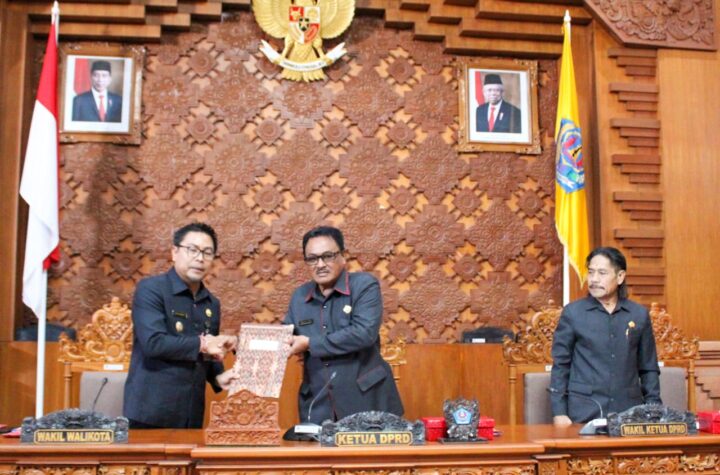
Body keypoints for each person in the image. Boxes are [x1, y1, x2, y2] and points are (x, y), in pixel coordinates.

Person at [284, 226, 404, 425]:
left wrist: (310, 343)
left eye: (327, 256)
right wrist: (241, 344)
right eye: (312, 259)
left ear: (343, 256)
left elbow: (364, 333)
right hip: (318, 406)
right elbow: (282, 338)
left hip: (367, 401)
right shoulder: (300, 296)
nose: (320, 265)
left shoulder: (364, 285)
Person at [123, 222, 237, 429]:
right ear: (174, 252)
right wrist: (203, 344)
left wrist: (218, 376)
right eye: (192, 250)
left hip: (191, 413)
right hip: (150, 413)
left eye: (207, 253)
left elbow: (207, 354)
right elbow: (153, 343)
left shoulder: (211, 303)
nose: (200, 258)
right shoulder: (151, 290)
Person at [550, 247, 662, 426]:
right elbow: (561, 366)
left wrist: (654, 409)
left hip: (629, 412)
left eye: (602, 273)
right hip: (584, 411)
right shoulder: (573, 313)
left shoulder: (638, 314)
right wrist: (559, 412)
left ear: (620, 277)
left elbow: (648, 367)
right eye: (591, 272)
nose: (594, 279)